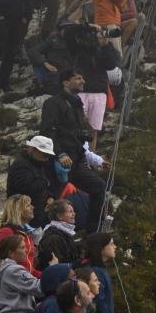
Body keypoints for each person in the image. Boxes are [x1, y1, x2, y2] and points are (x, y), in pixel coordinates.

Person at [40, 70, 107, 232]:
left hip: (76, 162)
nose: (83, 81)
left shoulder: (77, 103)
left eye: (82, 77)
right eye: (78, 78)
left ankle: (93, 231)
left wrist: (89, 153)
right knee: (49, 201)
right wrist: (60, 154)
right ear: (65, 82)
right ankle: (38, 235)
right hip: (57, 164)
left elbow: (73, 133)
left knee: (99, 186)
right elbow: (48, 131)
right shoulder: (53, 103)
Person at [80, 232, 136, 313]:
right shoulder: (96, 271)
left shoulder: (100, 269)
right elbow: (100, 301)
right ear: (101, 248)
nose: (115, 247)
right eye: (111, 244)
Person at [36, 200, 80, 270]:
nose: (74, 214)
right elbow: (60, 264)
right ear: (59, 216)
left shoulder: (67, 233)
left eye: (73, 211)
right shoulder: (54, 238)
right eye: (70, 212)